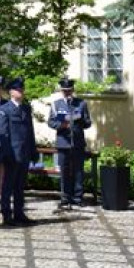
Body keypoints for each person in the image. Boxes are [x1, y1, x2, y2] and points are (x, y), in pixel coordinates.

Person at [0, 77, 38, 226]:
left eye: (22, 89)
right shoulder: (5, 109)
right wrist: (7, 153)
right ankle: (6, 214)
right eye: (18, 90)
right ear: (11, 92)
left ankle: (19, 213)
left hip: (25, 153)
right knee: (8, 185)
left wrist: (33, 150)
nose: (21, 92)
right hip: (12, 154)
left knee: (20, 186)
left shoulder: (26, 109)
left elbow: (30, 131)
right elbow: (3, 133)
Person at [50, 77, 93, 207]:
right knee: (64, 171)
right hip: (63, 142)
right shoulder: (56, 104)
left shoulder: (81, 103)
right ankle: (65, 197)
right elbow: (51, 122)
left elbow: (88, 123)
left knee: (78, 171)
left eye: (69, 91)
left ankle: (77, 198)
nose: (67, 93)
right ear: (61, 91)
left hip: (77, 142)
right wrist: (62, 125)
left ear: (73, 90)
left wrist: (81, 121)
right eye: (65, 91)